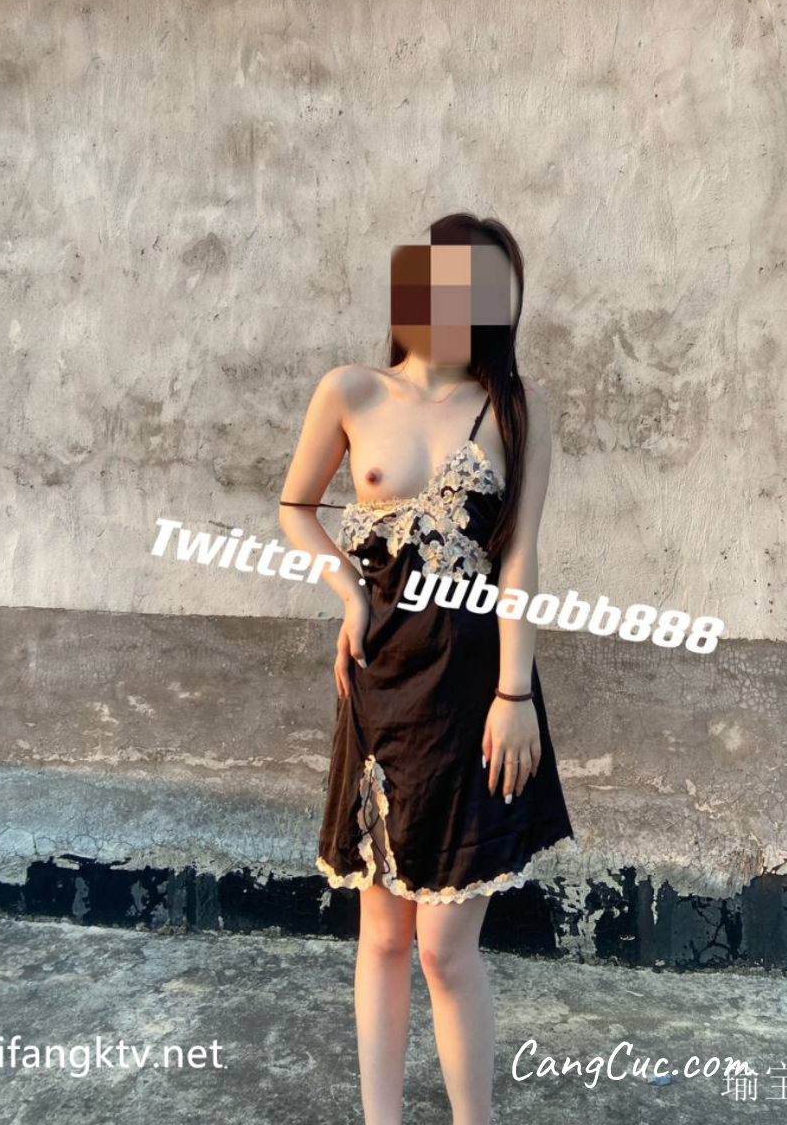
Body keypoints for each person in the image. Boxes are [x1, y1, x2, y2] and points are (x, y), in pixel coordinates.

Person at [279, 211, 574, 1125]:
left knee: (446, 947)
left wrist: (515, 692)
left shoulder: (515, 407)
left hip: (474, 687)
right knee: (380, 934)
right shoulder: (350, 390)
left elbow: (518, 557)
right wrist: (347, 592)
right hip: (380, 684)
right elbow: (295, 508)